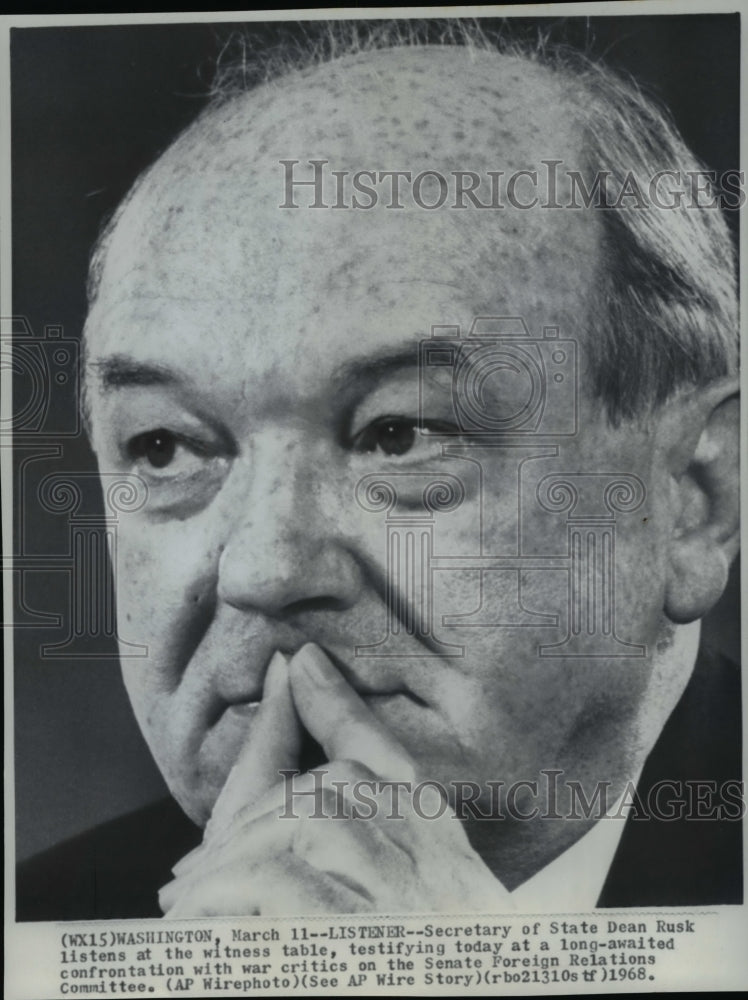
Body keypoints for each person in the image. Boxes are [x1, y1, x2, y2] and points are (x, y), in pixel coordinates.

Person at [17, 23, 741, 919]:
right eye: (164, 447)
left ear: (692, 502)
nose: (263, 571)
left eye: (398, 433)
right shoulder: (46, 924)